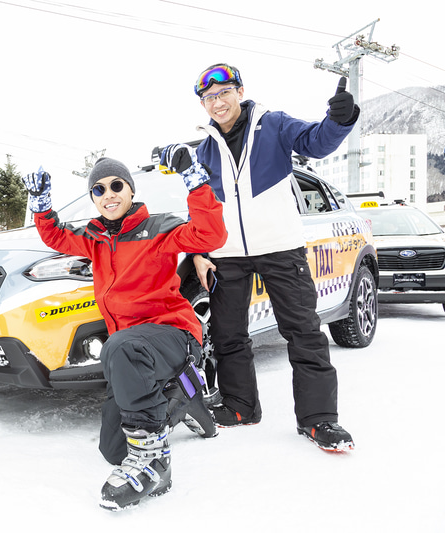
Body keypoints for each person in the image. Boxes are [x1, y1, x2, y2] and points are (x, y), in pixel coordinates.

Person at [161, 63, 360, 452]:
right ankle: (239, 406)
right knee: (228, 334)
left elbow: (316, 142)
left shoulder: (273, 125)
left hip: (280, 247)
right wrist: (200, 251)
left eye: (223, 94)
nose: (217, 103)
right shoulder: (205, 149)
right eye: (208, 98)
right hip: (227, 255)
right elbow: (201, 206)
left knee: (303, 332)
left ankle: (319, 420)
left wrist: (340, 119)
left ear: (239, 91)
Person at [23, 154, 227, 511]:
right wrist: (41, 207)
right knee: (114, 450)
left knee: (119, 347)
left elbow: (211, 233)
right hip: (130, 349)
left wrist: (194, 178)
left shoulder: (159, 228)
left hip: (172, 335)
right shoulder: (95, 237)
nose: (108, 194)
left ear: (131, 189)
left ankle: (155, 461)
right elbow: (55, 236)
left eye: (116, 185)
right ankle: (183, 399)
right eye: (98, 189)